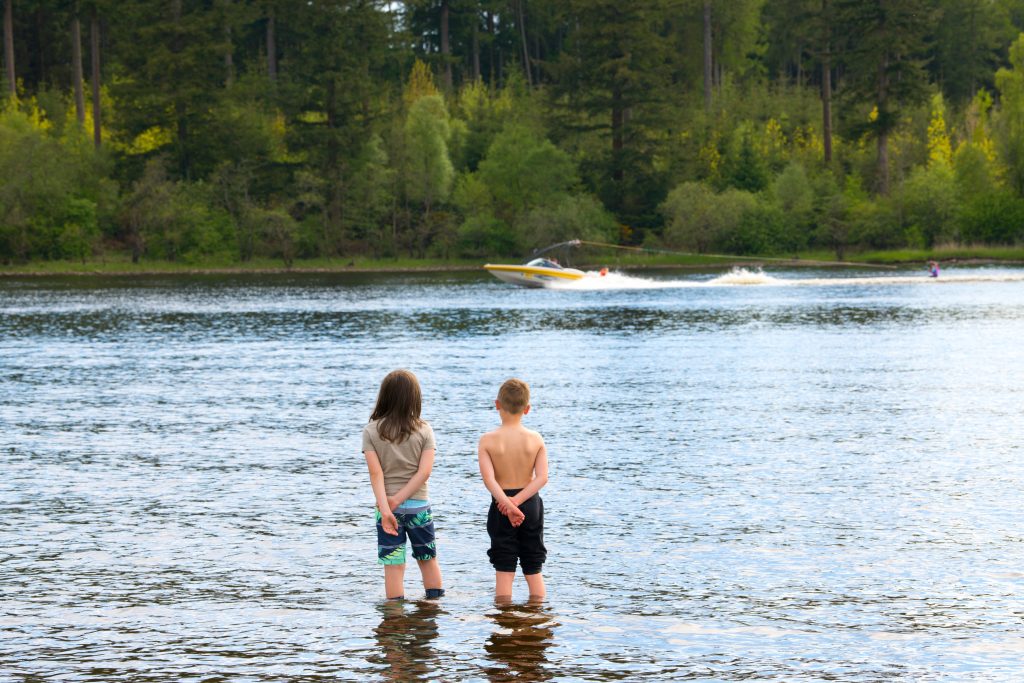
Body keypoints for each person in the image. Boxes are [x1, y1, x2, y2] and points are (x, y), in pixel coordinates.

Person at [362, 369, 444, 601]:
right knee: (427, 559)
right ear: (414, 398)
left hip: (388, 508)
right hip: (418, 506)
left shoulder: (371, 431)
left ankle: (394, 621)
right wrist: (401, 498)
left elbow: (376, 474)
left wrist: (387, 508)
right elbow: (424, 473)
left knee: (393, 565)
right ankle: (431, 613)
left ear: (384, 396)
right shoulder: (424, 430)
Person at [478, 378, 550, 600]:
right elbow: (542, 477)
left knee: (504, 564)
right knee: (533, 563)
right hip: (530, 504)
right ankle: (537, 616)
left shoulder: (487, 441)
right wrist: (518, 502)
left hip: (502, 505)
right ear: (527, 409)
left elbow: (489, 480)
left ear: (497, 404)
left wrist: (508, 504)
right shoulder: (535, 439)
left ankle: (504, 620)